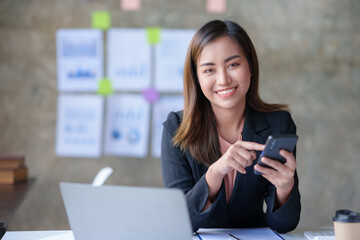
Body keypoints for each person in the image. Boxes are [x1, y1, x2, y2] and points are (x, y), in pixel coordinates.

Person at [161, 19, 301, 234]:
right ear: (197, 78)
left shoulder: (278, 124)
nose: (223, 79)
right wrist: (216, 172)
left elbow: (284, 225)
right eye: (209, 70)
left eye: (233, 65)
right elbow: (177, 221)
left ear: (250, 67)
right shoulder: (176, 128)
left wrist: (284, 188)